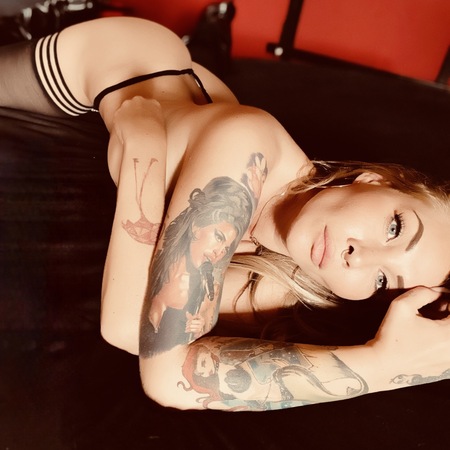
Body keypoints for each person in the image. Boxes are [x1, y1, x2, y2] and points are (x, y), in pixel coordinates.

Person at [0, 16, 449, 411]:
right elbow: (155, 362)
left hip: (197, 109)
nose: (360, 257)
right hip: (127, 64)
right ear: (374, 180)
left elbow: (142, 334)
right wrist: (385, 365)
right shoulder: (248, 144)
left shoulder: (294, 280)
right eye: (395, 228)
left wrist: (144, 147)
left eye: (383, 281)